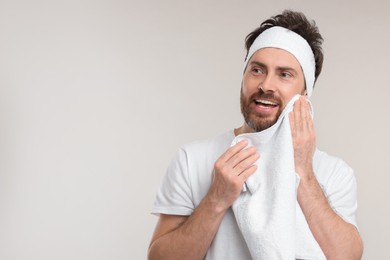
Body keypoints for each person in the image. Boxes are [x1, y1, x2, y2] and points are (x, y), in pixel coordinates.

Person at [148, 10, 363, 260]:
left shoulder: (334, 173)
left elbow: (347, 256)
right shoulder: (192, 159)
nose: (266, 85)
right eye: (257, 70)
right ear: (243, 76)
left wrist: (303, 173)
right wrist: (216, 199)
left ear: (305, 93)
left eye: (284, 74)